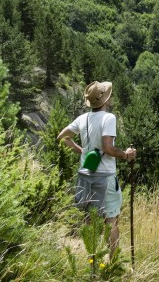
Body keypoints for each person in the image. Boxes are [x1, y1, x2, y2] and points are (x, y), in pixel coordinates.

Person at [57, 80, 137, 253]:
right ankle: (113, 264)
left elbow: (62, 136)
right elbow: (107, 147)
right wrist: (126, 155)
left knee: (90, 219)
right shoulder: (109, 118)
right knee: (111, 220)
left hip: (86, 176)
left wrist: (82, 151)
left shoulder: (82, 119)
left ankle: (92, 262)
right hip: (105, 177)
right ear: (106, 100)